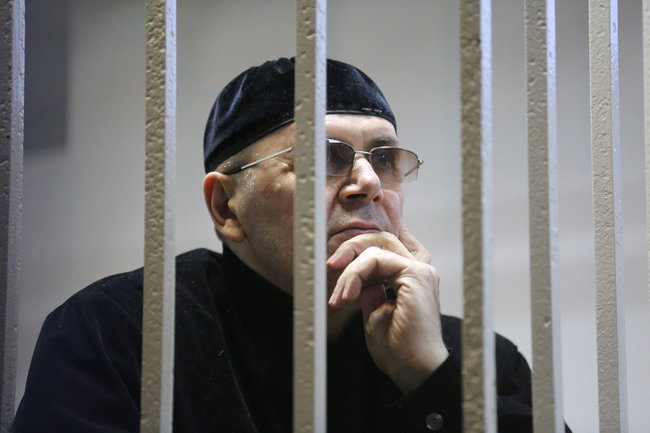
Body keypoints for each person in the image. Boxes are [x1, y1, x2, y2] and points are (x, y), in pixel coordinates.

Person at [13, 58, 561, 433]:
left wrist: (430, 377)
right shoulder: (122, 333)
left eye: (386, 159)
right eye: (323, 158)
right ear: (227, 208)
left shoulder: (475, 358)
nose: (369, 182)